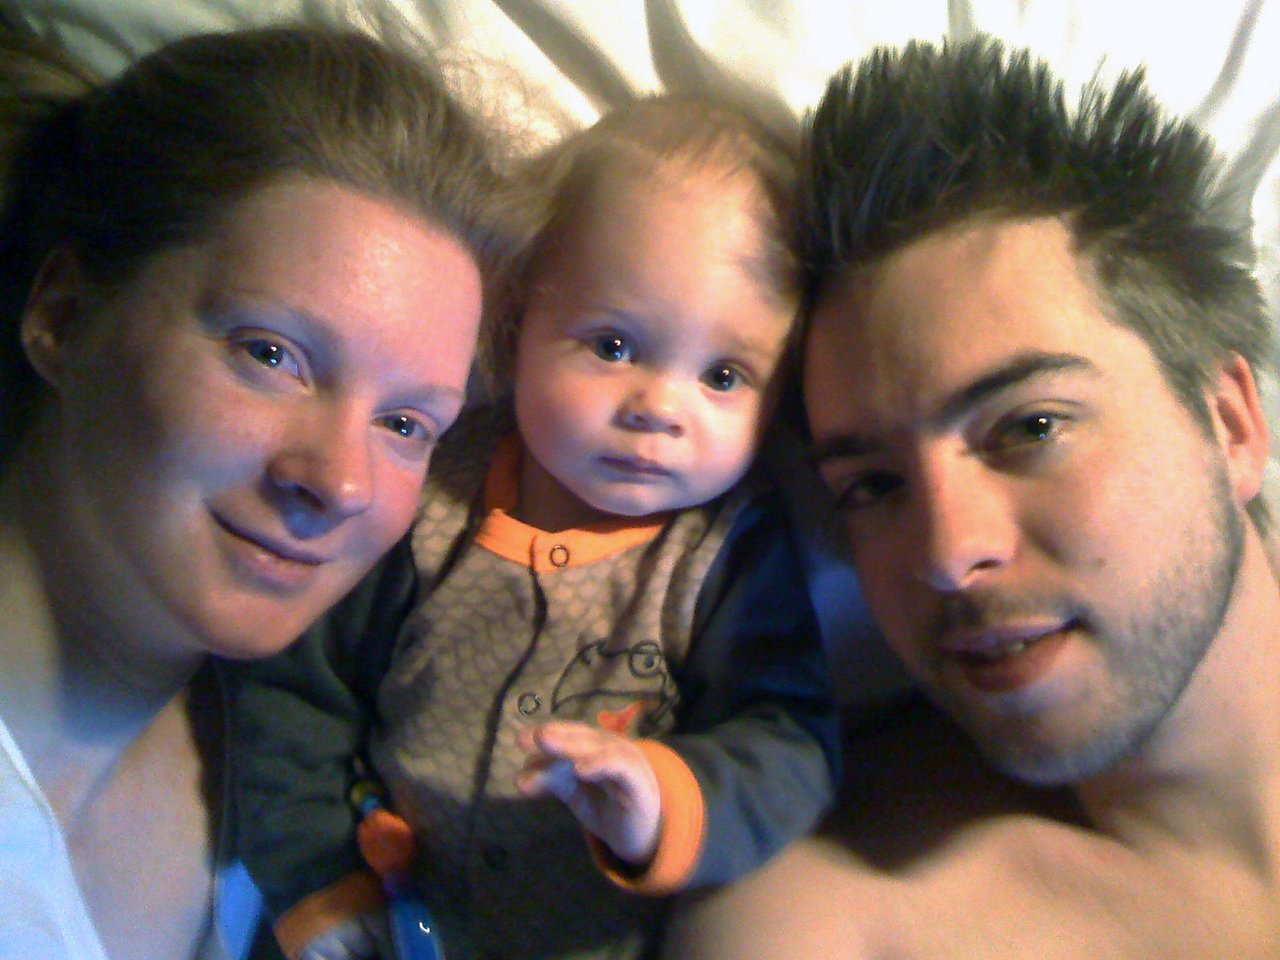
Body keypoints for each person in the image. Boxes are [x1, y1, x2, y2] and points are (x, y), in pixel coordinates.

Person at [661, 36, 1280, 960]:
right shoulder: (833, 925)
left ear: (1231, 424)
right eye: (871, 486)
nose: (947, 554)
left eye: (1030, 428)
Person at [227, 95, 840, 960]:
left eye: (725, 374)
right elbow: (301, 691)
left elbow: (790, 744)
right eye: (614, 346)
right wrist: (317, 880)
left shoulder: (729, 554)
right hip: (376, 912)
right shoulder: (429, 491)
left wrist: (666, 800)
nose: (659, 407)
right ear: (518, 322)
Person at [0, 22, 525, 960]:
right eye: (271, 356)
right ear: (65, 315)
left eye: (406, 426)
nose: (339, 482)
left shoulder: (305, 797)